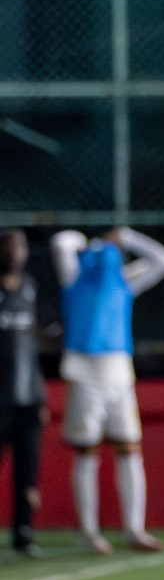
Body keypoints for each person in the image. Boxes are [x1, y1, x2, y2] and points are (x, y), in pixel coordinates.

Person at [50, 226, 164, 555]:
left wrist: (128, 237)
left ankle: (135, 528)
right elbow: (62, 243)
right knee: (87, 450)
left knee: (129, 446)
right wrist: (87, 244)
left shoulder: (125, 278)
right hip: (82, 372)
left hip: (119, 373)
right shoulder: (74, 276)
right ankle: (90, 533)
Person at [0, 231, 47, 558]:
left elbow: (31, 345)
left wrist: (40, 393)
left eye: (20, 246)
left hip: (28, 396)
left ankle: (23, 532)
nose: (16, 252)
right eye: (9, 246)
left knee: (28, 468)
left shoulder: (30, 287)